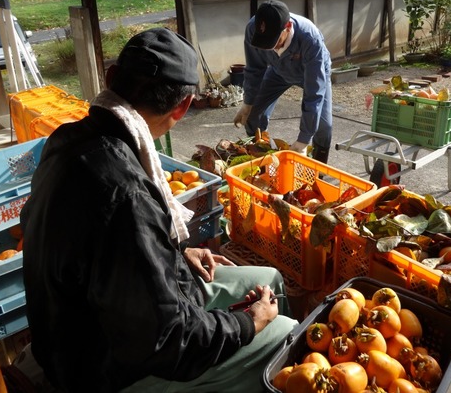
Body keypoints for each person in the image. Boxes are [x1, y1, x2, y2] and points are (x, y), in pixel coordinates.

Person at [20, 27, 298, 393]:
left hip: (86, 328)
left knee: (270, 281)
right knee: (287, 334)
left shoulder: (69, 139)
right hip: (102, 369)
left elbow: (105, 254)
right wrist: (249, 323)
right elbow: (171, 343)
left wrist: (173, 252)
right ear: (182, 107)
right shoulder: (127, 193)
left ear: (111, 78)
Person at [234, 0, 333, 163]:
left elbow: (313, 93)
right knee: (253, 114)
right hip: (277, 70)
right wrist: (247, 103)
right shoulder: (253, 29)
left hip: (312, 72)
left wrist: (303, 139)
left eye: (274, 42)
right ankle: (261, 159)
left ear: (287, 27)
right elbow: (254, 69)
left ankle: (318, 169)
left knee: (324, 126)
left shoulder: (309, 37)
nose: (270, 49)